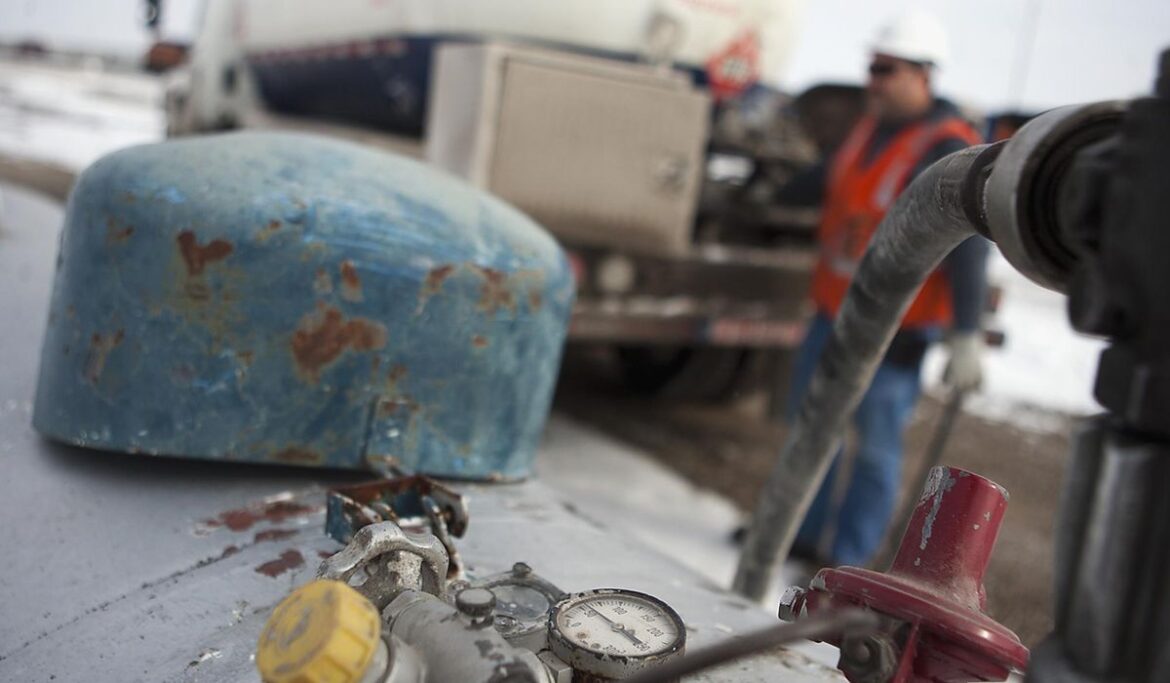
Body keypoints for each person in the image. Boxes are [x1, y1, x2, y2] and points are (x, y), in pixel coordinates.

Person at [777, 12, 989, 567]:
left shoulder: (951, 148)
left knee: (874, 450)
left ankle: (847, 562)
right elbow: (827, 179)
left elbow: (969, 246)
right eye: (870, 67)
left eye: (884, 69)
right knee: (813, 429)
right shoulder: (869, 128)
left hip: (896, 328)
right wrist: (767, 189)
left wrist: (966, 334)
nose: (871, 80)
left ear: (922, 75)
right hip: (833, 314)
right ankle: (801, 534)